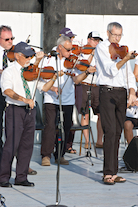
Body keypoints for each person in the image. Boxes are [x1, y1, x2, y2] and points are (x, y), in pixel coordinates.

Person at [0, 41, 63, 187]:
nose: (30, 59)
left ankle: (21, 177)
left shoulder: (33, 71)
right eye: (27, 56)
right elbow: (7, 91)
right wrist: (23, 99)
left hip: (30, 110)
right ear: (17, 56)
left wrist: (53, 78)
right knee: (11, 144)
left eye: (31, 56)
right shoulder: (9, 71)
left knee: (27, 145)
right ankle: (3, 177)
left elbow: (44, 87)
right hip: (15, 109)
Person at [40, 35, 96, 166]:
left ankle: (60, 154)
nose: (71, 53)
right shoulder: (48, 59)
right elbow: (42, 78)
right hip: (51, 98)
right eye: (68, 50)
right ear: (60, 48)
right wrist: (52, 87)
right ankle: (46, 155)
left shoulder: (72, 62)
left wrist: (86, 72)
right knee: (50, 126)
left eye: (71, 50)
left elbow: (76, 80)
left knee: (66, 127)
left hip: (68, 99)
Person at [94, 22, 137, 185]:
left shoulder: (122, 49)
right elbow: (109, 70)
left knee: (117, 132)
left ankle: (114, 171)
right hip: (107, 91)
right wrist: (125, 58)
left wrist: (132, 91)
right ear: (108, 33)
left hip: (122, 92)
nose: (117, 38)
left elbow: (129, 74)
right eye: (114, 35)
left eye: (119, 35)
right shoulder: (102, 48)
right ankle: (108, 173)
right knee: (110, 131)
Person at [80, 31, 103, 149]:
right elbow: (83, 66)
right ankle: (87, 141)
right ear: (89, 39)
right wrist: (91, 55)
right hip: (85, 84)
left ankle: (99, 140)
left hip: (97, 85)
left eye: (98, 40)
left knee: (100, 113)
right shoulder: (82, 52)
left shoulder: (101, 52)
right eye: (94, 40)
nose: (96, 42)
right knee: (85, 113)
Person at [0, 25, 14, 161]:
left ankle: (20, 162)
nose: (10, 42)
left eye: (12, 38)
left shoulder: (15, 54)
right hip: (0, 92)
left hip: (12, 93)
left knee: (14, 129)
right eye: (7, 39)